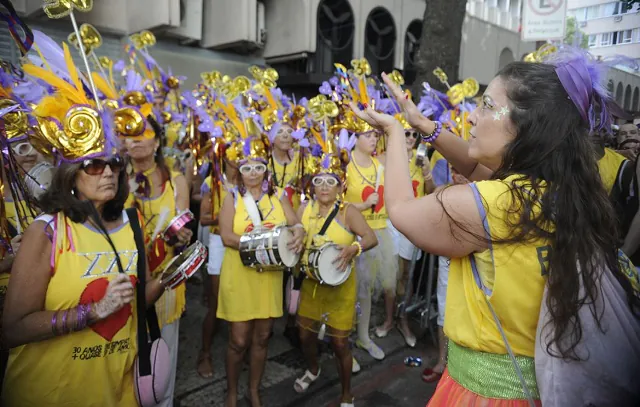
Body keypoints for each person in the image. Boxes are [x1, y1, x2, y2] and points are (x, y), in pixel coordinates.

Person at [350, 50, 640, 405]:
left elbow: (401, 210)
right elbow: (478, 171)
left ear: (526, 124)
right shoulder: (553, 192)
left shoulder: (493, 203)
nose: (472, 116)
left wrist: (394, 132)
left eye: (487, 105)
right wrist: (424, 126)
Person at [2, 113, 166, 406]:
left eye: (114, 164)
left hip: (118, 390)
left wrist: (171, 275)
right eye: (93, 165)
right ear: (71, 176)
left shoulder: (132, 222)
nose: (108, 173)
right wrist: (92, 312)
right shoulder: (47, 231)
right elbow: (12, 329)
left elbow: (137, 302)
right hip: (52, 392)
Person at [217, 136, 305, 407]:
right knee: (238, 340)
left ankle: (253, 390)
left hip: (269, 275)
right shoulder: (231, 196)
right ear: (239, 171)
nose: (253, 173)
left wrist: (299, 234)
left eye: (258, 167)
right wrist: (261, 242)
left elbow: (295, 223)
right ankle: (232, 391)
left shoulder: (278, 196)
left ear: (266, 168)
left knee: (263, 337)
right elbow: (226, 236)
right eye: (247, 168)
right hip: (240, 274)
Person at [293, 130, 378, 406]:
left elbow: (371, 238)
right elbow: (293, 233)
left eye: (331, 181)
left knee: (340, 343)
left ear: (341, 187)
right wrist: (293, 235)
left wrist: (355, 248)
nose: (325, 186)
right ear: (313, 187)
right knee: (304, 335)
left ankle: (346, 394)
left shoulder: (347, 212)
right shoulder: (305, 209)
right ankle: (314, 368)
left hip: (341, 288)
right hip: (311, 285)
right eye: (319, 181)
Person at [124, 113, 192, 407]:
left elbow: (184, 224)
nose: (136, 137)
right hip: (125, 283)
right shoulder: (112, 181)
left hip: (165, 279)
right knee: (125, 358)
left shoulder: (176, 182)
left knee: (163, 351)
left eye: (144, 131)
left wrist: (182, 236)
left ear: (157, 141)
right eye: (130, 132)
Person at [386, 126, 435, 348]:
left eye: (415, 135)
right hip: (390, 221)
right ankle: (389, 319)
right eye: (406, 133)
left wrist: (426, 173)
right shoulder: (390, 157)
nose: (411, 138)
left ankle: (402, 318)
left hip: (412, 221)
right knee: (390, 272)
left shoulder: (421, 159)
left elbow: (431, 191)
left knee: (406, 273)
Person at [197, 152, 238, 378]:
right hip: (219, 242)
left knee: (241, 300)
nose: (238, 156)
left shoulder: (250, 180)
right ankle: (204, 353)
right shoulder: (212, 182)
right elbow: (203, 217)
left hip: (241, 242)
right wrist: (228, 217)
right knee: (215, 302)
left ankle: (238, 350)